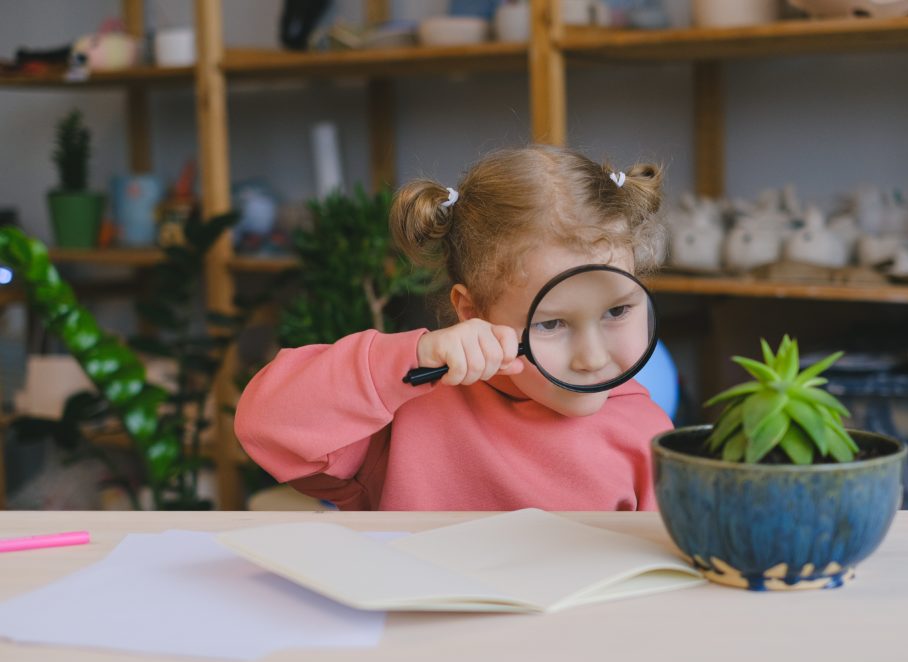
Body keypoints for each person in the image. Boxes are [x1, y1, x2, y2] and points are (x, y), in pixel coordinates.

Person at [234, 145, 673, 511]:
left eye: (617, 312)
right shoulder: (408, 409)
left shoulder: (650, 442)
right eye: (553, 322)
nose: (593, 358)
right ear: (471, 311)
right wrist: (409, 360)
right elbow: (263, 426)